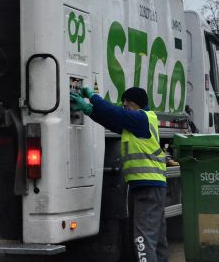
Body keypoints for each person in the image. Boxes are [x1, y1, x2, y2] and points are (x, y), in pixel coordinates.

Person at [71, 87, 168, 262]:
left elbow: (113, 113)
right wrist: (89, 111)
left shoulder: (141, 118)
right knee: (158, 239)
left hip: (147, 187)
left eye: (126, 105)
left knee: (142, 239)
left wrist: (92, 97)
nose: (124, 108)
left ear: (135, 104)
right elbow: (111, 121)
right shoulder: (136, 124)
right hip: (150, 187)